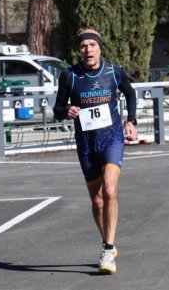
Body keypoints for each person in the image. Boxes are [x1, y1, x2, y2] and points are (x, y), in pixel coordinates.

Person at [53, 29, 138, 274]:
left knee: (110, 190)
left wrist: (131, 121)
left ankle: (108, 251)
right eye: (84, 46)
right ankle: (108, 242)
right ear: (79, 50)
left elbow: (130, 92)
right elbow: (57, 109)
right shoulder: (69, 76)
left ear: (100, 48)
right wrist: (66, 111)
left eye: (92, 45)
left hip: (112, 139)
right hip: (87, 144)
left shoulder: (113, 72)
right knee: (98, 201)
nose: (88, 50)